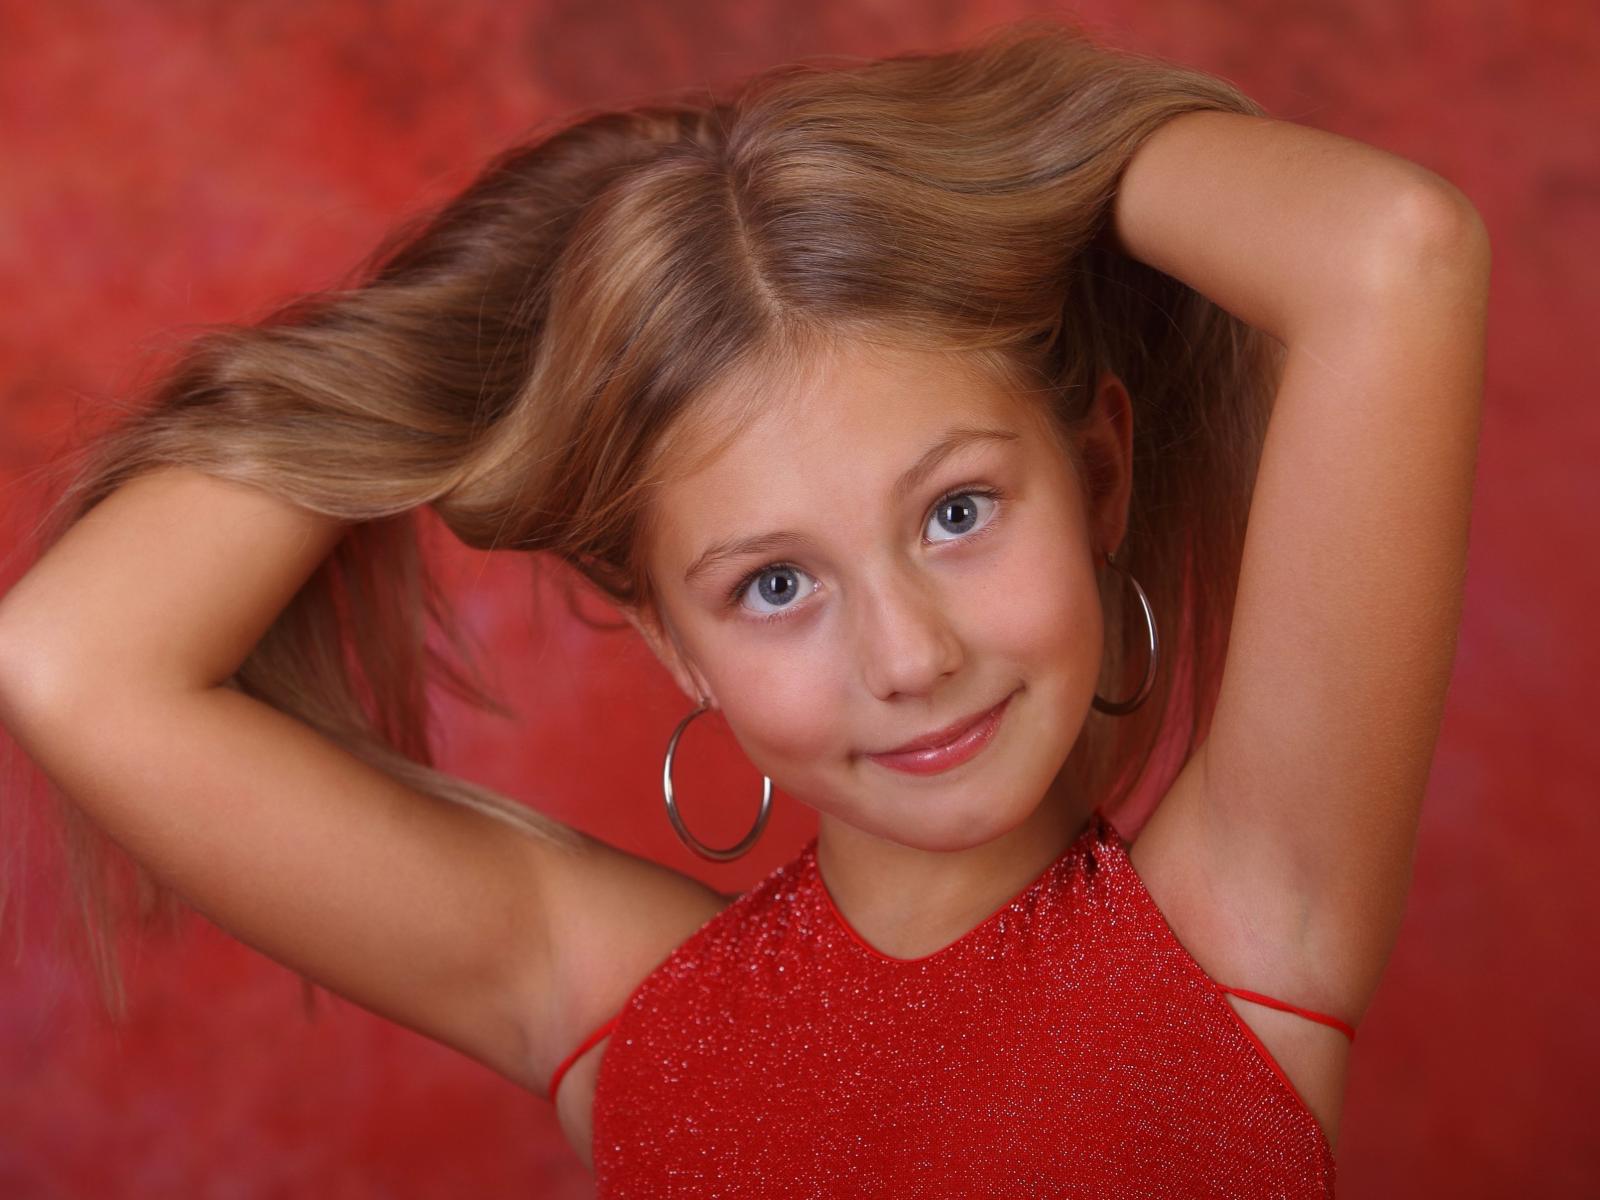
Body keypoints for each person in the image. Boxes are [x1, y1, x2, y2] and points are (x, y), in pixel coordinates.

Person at [0, 16, 1488, 1196]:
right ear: (672, 642)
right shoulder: (620, 1008)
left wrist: (986, 155)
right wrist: (488, 306)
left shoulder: (1244, 933)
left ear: (1098, 476)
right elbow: (69, 660)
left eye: (957, 512)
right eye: (774, 585)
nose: (908, 656)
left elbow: (1391, 254)